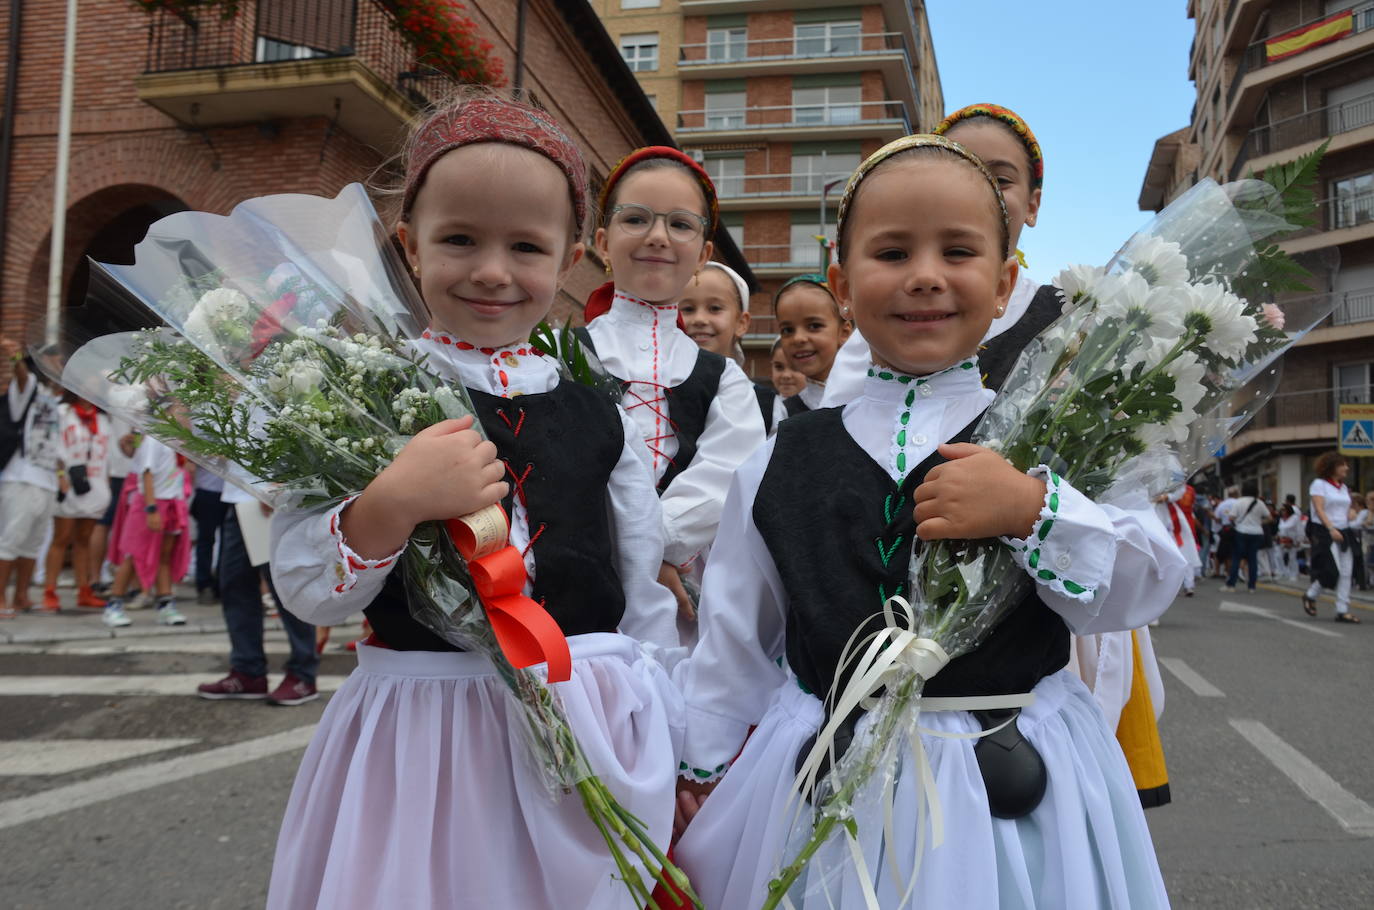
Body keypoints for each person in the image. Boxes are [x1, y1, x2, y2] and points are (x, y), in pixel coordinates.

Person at [672, 134, 1186, 908]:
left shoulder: (1057, 442)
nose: (924, 277)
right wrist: (700, 765)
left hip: (1013, 795)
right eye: (891, 252)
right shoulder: (778, 458)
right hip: (826, 784)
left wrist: (1034, 510)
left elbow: (1144, 584)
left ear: (1006, 281)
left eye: (957, 251)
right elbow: (738, 639)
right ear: (843, 283)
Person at [266, 91, 683, 908]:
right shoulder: (358, 397)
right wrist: (390, 502)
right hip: (424, 738)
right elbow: (309, 589)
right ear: (408, 246)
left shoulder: (604, 409)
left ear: (569, 261)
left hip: (591, 720)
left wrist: (674, 734)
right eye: (459, 239)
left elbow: (642, 588)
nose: (492, 271)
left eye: (526, 246)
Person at [583, 146, 766, 622]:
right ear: (603, 242)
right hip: (580, 575)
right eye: (636, 218)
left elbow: (728, 474)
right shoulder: (560, 356)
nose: (658, 236)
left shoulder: (722, 375)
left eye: (680, 224)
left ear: (703, 253)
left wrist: (650, 550)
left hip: (686, 584)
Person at [821, 102, 1057, 406]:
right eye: (893, 254)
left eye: (998, 179)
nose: (926, 277)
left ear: (1032, 205)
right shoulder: (872, 332)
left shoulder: (1069, 315)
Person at [197, 482, 318, 705]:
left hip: (276, 498)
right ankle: (248, 671)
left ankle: (303, 674)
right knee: (235, 585)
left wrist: (286, 484)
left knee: (287, 588)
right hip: (239, 497)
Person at [679, 261, 784, 433]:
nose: (699, 319)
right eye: (688, 309)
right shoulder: (655, 390)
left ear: (741, 323)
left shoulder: (767, 406)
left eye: (714, 308)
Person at [0, 341, 62, 618]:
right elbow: (21, 375)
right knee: (10, 540)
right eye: (56, 361)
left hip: (46, 479)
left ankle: (22, 595)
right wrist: (15, 356)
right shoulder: (27, 390)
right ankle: (0, 597)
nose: (60, 367)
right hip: (21, 477)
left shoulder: (54, 398)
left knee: (32, 543)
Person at [101, 435, 189, 627]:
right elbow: (146, 473)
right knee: (134, 556)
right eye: (180, 406)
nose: (186, 411)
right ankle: (113, 606)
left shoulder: (177, 439)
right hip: (150, 504)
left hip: (172, 502)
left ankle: (165, 605)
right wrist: (151, 508)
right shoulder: (154, 439)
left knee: (164, 557)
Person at [39, 394, 111, 611]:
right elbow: (54, 446)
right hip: (69, 483)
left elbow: (107, 455)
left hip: (95, 484)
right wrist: (60, 475)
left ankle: (84, 589)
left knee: (84, 539)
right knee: (61, 537)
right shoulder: (63, 413)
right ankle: (49, 591)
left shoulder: (104, 419)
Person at [774, 275, 850, 415]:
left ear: (844, 332)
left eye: (814, 326)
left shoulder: (871, 396)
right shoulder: (782, 414)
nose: (798, 338)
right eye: (787, 330)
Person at [1303, 451, 1360, 622]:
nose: (1346, 468)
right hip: (1325, 531)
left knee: (1346, 571)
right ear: (1332, 466)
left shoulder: (1343, 487)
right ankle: (1310, 595)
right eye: (1342, 464)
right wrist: (1330, 528)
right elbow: (1319, 509)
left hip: (1345, 531)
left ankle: (1342, 610)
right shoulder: (1319, 484)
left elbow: (1348, 506)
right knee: (1331, 571)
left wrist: (1351, 512)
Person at [190, 462, 227, 604]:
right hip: (207, 490)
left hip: (231, 493)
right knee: (205, 541)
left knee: (228, 542)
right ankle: (204, 585)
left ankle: (222, 584)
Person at [1223, 483, 1270, 593]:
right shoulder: (1259, 503)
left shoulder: (1239, 502)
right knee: (1252, 559)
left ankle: (1231, 585)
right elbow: (1270, 518)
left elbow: (1231, 517)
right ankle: (1252, 586)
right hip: (1257, 533)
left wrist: (1238, 522)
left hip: (1241, 532)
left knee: (1236, 558)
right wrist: (1259, 523)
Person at [1277, 502, 1304, 581]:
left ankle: (1293, 573)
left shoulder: (1295, 518)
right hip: (1282, 539)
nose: (1282, 512)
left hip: (1292, 540)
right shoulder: (1282, 519)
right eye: (1281, 510)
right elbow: (1281, 528)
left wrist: (1298, 540)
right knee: (1278, 556)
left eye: (1284, 510)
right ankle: (1282, 572)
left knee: (1292, 557)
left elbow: (1299, 530)